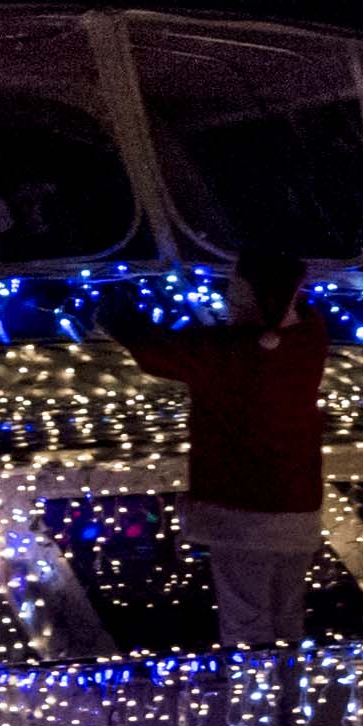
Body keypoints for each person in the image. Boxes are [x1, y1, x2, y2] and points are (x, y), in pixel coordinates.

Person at [103, 246, 328, 646]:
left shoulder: (224, 353)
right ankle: (292, 701)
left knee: (246, 623)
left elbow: (154, 349)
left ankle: (252, 705)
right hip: (299, 510)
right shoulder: (310, 340)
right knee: (288, 619)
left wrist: (110, 312)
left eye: (234, 290)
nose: (227, 298)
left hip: (242, 513)